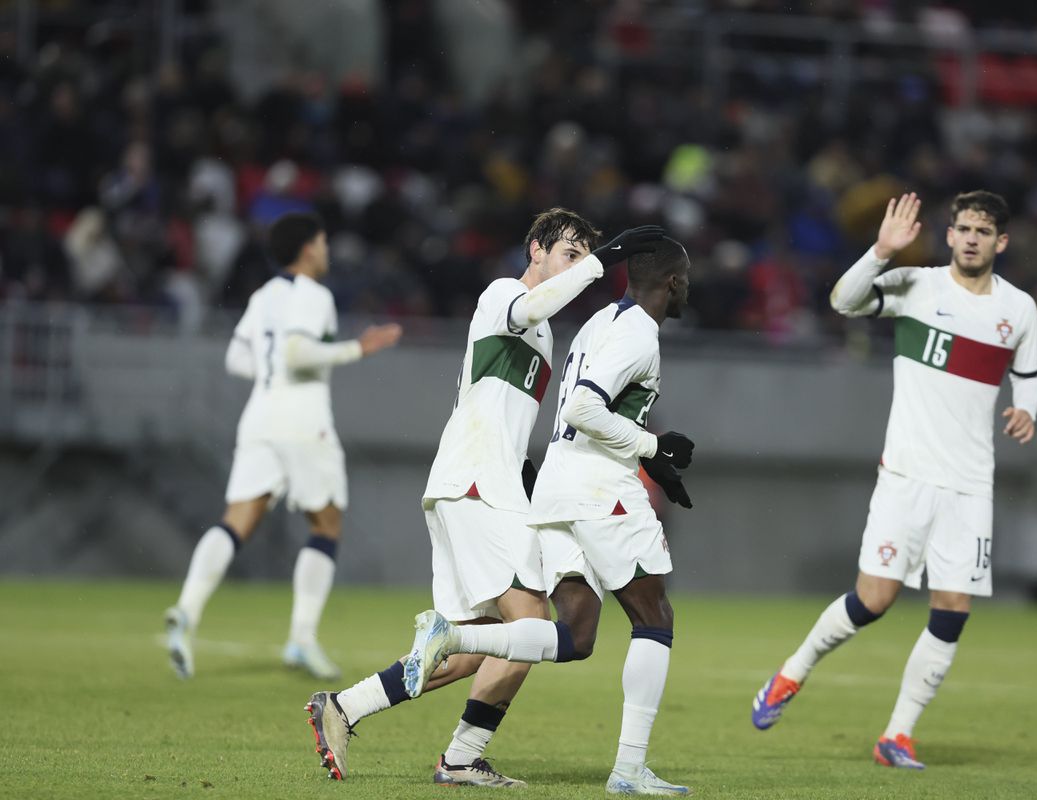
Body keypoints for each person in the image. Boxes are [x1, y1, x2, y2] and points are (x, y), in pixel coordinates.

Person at [305, 209, 665, 785]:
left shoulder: (545, 335)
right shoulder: (504, 294)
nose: (576, 265)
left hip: (481, 484)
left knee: (473, 648)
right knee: (532, 620)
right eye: (568, 253)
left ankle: (343, 708)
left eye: (582, 255)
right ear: (536, 250)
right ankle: (462, 757)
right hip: (476, 484)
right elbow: (532, 308)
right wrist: (605, 260)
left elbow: (504, 412)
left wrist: (526, 473)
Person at [750, 191, 1037, 769]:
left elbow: (1029, 374)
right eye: (963, 228)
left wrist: (1027, 407)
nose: (971, 238)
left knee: (953, 608)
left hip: (969, 484)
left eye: (983, 231)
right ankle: (790, 674)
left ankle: (897, 735)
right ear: (951, 233)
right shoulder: (918, 285)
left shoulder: (1020, 309)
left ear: (1000, 241)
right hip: (907, 475)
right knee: (874, 599)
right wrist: (880, 251)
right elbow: (844, 300)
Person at [403, 237, 697, 796]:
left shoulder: (597, 324)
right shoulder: (639, 334)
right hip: (600, 490)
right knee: (655, 617)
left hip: (558, 490)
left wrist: (656, 465)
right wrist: (651, 449)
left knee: (578, 634)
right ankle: (629, 770)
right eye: (688, 278)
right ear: (674, 283)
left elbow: (586, 406)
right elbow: (587, 407)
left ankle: (454, 640)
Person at [163, 212, 402, 680]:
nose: (327, 250)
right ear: (309, 248)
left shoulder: (263, 295)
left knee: (237, 519)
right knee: (326, 522)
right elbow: (296, 352)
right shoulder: (314, 295)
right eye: (324, 241)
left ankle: (186, 611)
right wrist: (358, 348)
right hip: (302, 418)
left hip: (259, 416)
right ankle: (301, 639)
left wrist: (271, 370)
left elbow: (237, 358)